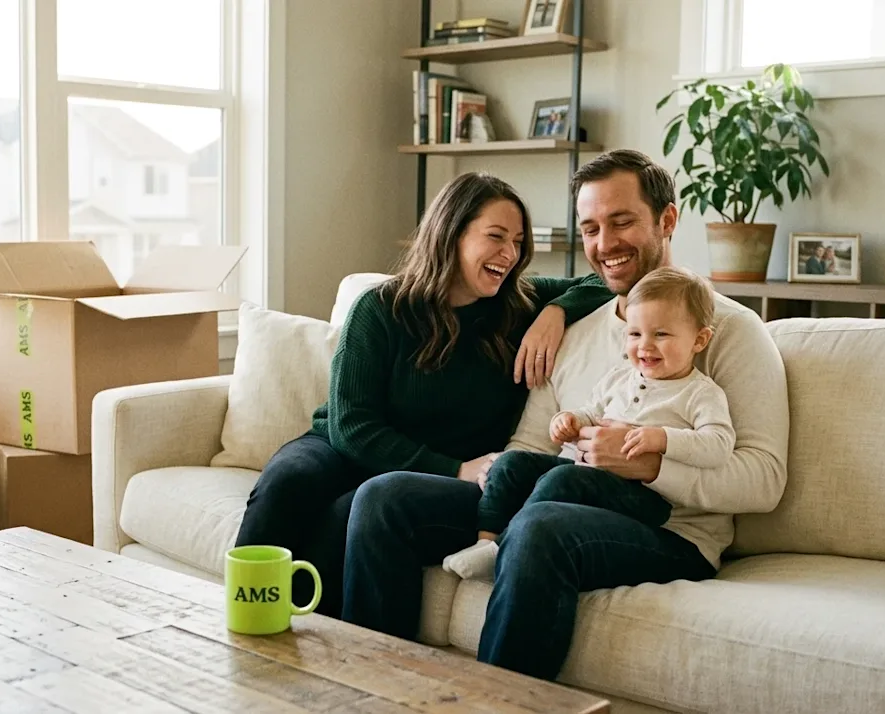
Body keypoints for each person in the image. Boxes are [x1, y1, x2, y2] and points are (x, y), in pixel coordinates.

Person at [340, 149, 788, 681]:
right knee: (385, 497)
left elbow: (764, 481)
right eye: (591, 228)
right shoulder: (573, 332)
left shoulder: (729, 331)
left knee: (540, 525)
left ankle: (500, 701)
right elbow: (531, 446)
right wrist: (511, 474)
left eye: (622, 222)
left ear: (667, 220)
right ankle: (371, 688)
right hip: (557, 492)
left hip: (672, 531)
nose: (605, 244)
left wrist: (649, 466)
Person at [232, 171, 615, 618]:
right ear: (451, 233)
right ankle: (245, 625)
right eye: (495, 236)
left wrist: (555, 310)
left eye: (517, 241)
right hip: (346, 448)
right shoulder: (382, 308)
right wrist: (456, 468)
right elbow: (352, 425)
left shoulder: (518, 307)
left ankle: (331, 657)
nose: (509, 254)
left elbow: (609, 282)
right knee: (286, 482)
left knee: (344, 517)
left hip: (423, 475)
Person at [442, 266, 735, 580]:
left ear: (699, 340)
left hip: (648, 501)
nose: (644, 346)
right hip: (592, 484)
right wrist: (569, 420)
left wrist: (661, 439)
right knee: (510, 464)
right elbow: (591, 412)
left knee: (564, 480)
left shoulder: (700, 393)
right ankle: (485, 541)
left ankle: (505, 545)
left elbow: (718, 445)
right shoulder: (619, 378)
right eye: (635, 334)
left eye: (661, 334)